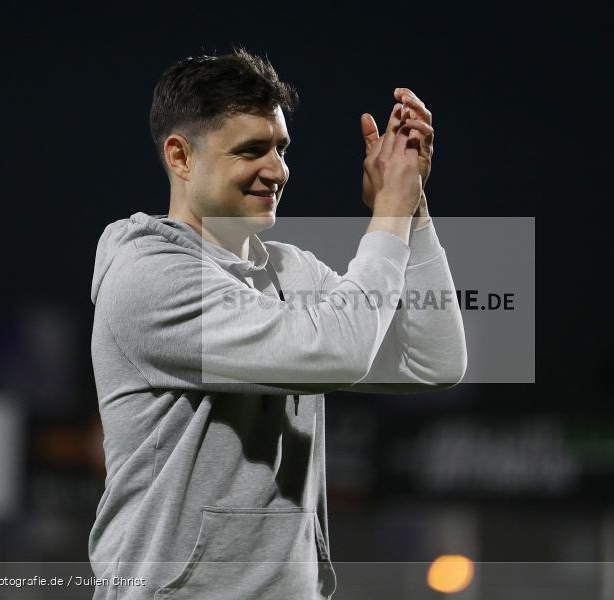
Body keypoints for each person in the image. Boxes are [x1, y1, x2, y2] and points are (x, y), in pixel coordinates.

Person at [88, 48, 467, 600]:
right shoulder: (149, 279)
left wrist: (411, 208)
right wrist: (387, 214)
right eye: (251, 151)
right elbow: (337, 352)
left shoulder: (291, 269)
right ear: (180, 156)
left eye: (281, 149)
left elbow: (435, 363)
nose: (278, 170)